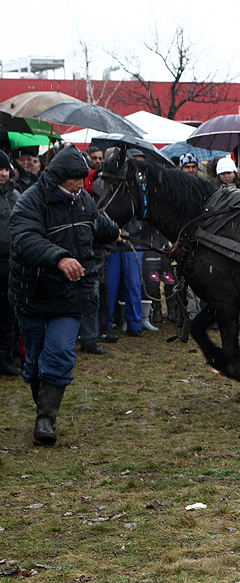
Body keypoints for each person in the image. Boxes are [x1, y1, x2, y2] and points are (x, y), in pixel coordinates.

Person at [8, 146, 121, 444]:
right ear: (59, 177)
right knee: (34, 360)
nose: (80, 184)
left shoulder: (83, 201)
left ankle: (46, 419)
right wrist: (59, 258)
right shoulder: (31, 201)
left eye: (83, 179)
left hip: (70, 295)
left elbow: (96, 223)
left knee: (58, 353)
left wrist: (115, 232)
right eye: (75, 180)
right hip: (32, 293)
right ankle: (42, 403)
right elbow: (23, 239)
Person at [0, 150, 22, 376]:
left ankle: (6, 357)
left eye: (6, 168)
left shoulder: (16, 196)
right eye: (0, 169)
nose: (3, 173)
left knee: (9, 313)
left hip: (11, 261)